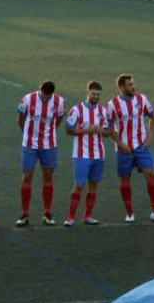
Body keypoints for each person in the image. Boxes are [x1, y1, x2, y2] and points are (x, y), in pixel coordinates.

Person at [107, 74, 154, 224]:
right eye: (129, 85)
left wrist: (149, 137)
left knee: (151, 174)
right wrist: (120, 143)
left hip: (141, 145)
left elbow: (152, 117)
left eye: (133, 84)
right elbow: (109, 127)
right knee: (125, 178)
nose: (133, 87)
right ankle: (129, 212)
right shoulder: (112, 104)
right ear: (121, 87)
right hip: (124, 148)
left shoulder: (141, 99)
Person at [16, 80, 66, 226]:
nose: (45, 99)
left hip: (49, 145)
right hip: (29, 144)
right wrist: (26, 133)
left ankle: (47, 213)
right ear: (39, 89)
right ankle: (24, 214)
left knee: (48, 176)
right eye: (43, 95)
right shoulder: (27, 99)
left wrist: (50, 132)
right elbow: (20, 118)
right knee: (27, 176)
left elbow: (59, 118)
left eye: (48, 96)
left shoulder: (59, 101)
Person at [64, 81, 110, 227]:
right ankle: (70, 217)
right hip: (81, 154)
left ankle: (88, 215)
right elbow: (68, 130)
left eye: (98, 95)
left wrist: (100, 130)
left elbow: (108, 132)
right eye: (94, 94)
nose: (96, 96)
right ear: (88, 92)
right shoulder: (76, 110)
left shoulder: (103, 111)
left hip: (99, 154)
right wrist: (87, 130)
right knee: (79, 184)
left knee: (94, 184)